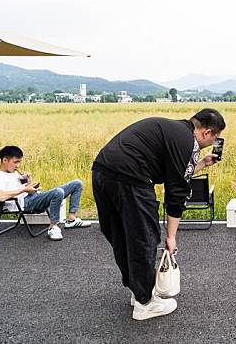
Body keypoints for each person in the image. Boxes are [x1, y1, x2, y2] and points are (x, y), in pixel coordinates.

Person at [92, 108, 226, 321]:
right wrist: (171, 237)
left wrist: (200, 164)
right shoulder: (188, 143)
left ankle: (138, 292)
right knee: (144, 238)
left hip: (101, 172)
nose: (211, 143)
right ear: (207, 133)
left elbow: (176, 173)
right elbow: (177, 193)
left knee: (121, 236)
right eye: (214, 139)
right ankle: (145, 304)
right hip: (132, 179)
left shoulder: (173, 130)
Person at [0, 145, 91, 242]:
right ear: (5, 160)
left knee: (77, 183)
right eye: (15, 162)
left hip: (33, 197)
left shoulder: (13, 173)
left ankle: (71, 220)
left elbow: (26, 188)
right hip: (25, 204)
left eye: (19, 162)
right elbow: (1, 197)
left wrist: (29, 181)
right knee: (58, 192)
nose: (18, 165)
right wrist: (24, 190)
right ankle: (53, 227)